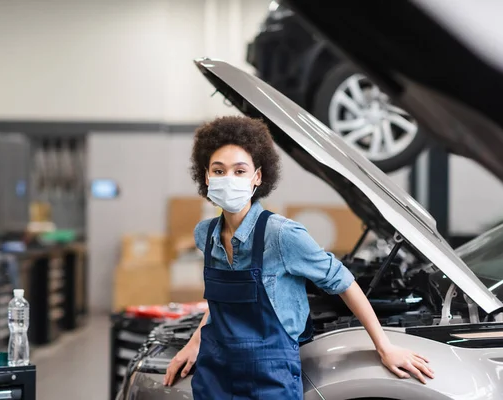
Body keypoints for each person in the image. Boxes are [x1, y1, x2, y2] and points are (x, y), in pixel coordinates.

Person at [163, 116, 434, 399]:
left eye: (239, 171)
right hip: (215, 373)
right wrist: (194, 343)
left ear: (257, 176)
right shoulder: (205, 235)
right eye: (219, 171)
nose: (228, 178)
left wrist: (385, 347)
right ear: (206, 176)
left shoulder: (281, 235)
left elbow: (344, 282)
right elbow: (219, 302)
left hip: (269, 378)